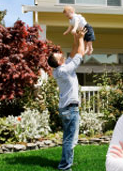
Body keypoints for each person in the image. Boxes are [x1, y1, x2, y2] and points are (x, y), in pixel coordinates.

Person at [47, 28, 87, 170]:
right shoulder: (65, 70)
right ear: (58, 61)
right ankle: (65, 166)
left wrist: (75, 38)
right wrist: (82, 38)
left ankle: (66, 161)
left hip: (66, 108)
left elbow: (72, 52)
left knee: (68, 138)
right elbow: (80, 53)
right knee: (71, 139)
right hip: (70, 109)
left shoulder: (61, 69)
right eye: (58, 55)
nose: (60, 54)